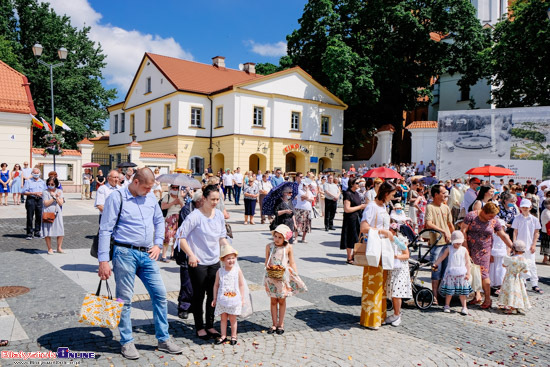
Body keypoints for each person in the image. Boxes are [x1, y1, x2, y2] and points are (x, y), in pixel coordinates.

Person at [98, 168, 183, 359]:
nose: (148, 191)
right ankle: (126, 341)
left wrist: (158, 243)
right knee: (125, 300)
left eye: (150, 188)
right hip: (124, 252)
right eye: (145, 187)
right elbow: (105, 230)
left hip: (147, 254)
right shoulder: (116, 197)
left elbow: (159, 221)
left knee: (160, 295)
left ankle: (163, 339)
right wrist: (103, 261)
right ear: (135, 182)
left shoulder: (151, 197)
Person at [175, 185, 230, 341]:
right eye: (212, 199)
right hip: (198, 262)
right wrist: (191, 255)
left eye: (217, 199)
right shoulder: (195, 216)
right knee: (198, 296)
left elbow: (221, 237)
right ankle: (199, 326)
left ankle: (210, 325)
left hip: (214, 261)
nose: (215, 202)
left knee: (213, 294)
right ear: (204, 199)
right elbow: (181, 237)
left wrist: (228, 251)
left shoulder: (219, 215)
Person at [359, 181, 396, 330]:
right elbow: (364, 227)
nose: (393, 198)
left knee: (382, 283)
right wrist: (382, 232)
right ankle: (370, 318)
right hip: (375, 248)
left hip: (384, 247)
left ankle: (379, 316)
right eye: (392, 195)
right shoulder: (372, 206)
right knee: (373, 282)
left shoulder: (384, 206)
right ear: (386, 194)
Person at [461, 203, 513, 308]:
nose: (492, 218)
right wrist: (465, 247)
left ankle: (488, 299)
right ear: (483, 212)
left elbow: (502, 235)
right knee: (472, 272)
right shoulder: (471, 216)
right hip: (469, 248)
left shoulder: (494, 221)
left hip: (484, 250)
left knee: (484, 274)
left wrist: (513, 247)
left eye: (493, 216)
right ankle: (477, 296)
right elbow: (463, 231)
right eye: (490, 216)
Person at [264, 224, 307, 335]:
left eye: (280, 237)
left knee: (282, 300)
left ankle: (280, 324)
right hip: (272, 277)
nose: (277, 239)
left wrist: (295, 274)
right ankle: (274, 324)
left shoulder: (288, 247)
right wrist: (268, 267)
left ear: (285, 238)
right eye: (275, 236)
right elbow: (267, 261)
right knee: (273, 300)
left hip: (283, 278)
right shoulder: (269, 246)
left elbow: (292, 261)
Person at [211, 244, 247, 345]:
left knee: (233, 318)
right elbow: (216, 285)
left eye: (233, 258)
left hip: (234, 299)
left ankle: (234, 336)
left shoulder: (237, 271)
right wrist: (214, 298)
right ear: (223, 259)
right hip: (222, 298)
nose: (231, 260)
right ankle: (223, 335)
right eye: (228, 258)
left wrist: (242, 298)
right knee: (223, 318)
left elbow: (241, 285)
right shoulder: (220, 271)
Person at [425, 184, 455, 301]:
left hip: (447, 242)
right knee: (435, 269)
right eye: (443, 193)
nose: (445, 195)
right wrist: (443, 231)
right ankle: (434, 295)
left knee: (446, 269)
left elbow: (450, 224)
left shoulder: (446, 207)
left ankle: (442, 294)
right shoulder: (430, 207)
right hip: (437, 243)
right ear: (436, 194)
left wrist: (454, 236)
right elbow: (429, 223)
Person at [432, 231, 472, 315]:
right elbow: (442, 257)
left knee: (462, 292)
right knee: (449, 291)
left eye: (460, 242)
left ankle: (464, 307)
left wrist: (468, 273)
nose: (459, 244)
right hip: (451, 273)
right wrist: (436, 264)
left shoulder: (464, 250)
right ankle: (447, 305)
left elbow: (467, 262)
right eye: (457, 242)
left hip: (462, 274)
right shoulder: (449, 249)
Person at [512, 199, 543, 294]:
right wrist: (514, 244)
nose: (525, 209)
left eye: (526, 207)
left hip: (529, 245)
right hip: (520, 245)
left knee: (532, 264)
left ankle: (534, 283)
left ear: (530, 207)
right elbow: (515, 231)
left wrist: (534, 244)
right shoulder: (517, 218)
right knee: (521, 264)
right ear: (520, 207)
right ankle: (523, 283)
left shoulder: (534, 219)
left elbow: (536, 232)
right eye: (523, 207)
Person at [384, 223, 412, 326]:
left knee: (396, 292)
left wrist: (396, 256)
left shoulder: (400, 240)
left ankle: (397, 314)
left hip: (400, 269)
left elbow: (406, 255)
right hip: (392, 268)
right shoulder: (387, 240)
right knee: (392, 292)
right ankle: (395, 314)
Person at [497, 240, 531, 314]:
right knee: (518, 291)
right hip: (519, 278)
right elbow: (525, 271)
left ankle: (512, 307)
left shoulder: (510, 259)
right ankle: (517, 306)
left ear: (513, 249)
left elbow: (504, 265)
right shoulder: (525, 260)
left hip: (510, 277)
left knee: (511, 291)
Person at [340, 177, 366, 264]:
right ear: (352, 184)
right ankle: (349, 257)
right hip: (350, 219)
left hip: (357, 218)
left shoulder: (356, 193)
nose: (359, 185)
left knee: (357, 238)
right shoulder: (348, 194)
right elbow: (347, 209)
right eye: (357, 183)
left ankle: (354, 255)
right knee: (350, 237)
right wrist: (360, 207)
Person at [160, 184, 184, 262]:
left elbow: (183, 208)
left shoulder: (180, 197)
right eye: (173, 187)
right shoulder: (167, 196)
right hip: (170, 217)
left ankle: (172, 254)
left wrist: (180, 202)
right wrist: (173, 202)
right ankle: (163, 255)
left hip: (179, 217)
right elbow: (163, 207)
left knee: (175, 237)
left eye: (176, 187)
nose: (175, 189)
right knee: (167, 236)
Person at [41, 176, 64, 254]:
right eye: (49, 183)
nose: (50, 185)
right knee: (47, 231)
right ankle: (49, 248)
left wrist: (57, 197)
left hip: (57, 213)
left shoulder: (59, 191)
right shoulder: (45, 192)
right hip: (47, 212)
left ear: (56, 184)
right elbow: (46, 203)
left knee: (60, 230)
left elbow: (61, 203)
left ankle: (59, 248)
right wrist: (54, 197)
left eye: (52, 184)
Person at [23, 167, 47, 240]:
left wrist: (42, 194)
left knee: (39, 216)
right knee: (30, 216)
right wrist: (33, 193)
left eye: (37, 173)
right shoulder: (28, 181)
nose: (36, 174)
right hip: (31, 199)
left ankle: (37, 231)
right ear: (32, 174)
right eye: (35, 173)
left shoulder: (42, 182)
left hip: (39, 200)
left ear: (40, 173)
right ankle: (29, 233)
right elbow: (24, 192)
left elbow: (45, 191)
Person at [489, 219, 509, 292]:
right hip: (493, 255)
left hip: (502, 256)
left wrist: (508, 255)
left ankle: (501, 286)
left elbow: (508, 246)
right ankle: (491, 285)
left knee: (501, 271)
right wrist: (490, 255)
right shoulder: (491, 235)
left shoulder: (506, 235)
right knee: (492, 270)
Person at [295, 176, 314, 243]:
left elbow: (312, 199)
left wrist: (307, 197)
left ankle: (303, 238)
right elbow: (304, 196)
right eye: (305, 185)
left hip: (307, 209)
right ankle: (296, 238)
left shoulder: (309, 191)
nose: (307, 186)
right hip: (300, 208)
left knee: (306, 224)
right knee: (298, 224)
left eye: (307, 185)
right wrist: (307, 196)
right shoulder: (300, 190)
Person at [540, 199, 550, 265]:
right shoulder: (546, 211)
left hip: (547, 230)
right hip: (546, 231)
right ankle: (545, 259)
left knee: (547, 245)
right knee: (546, 245)